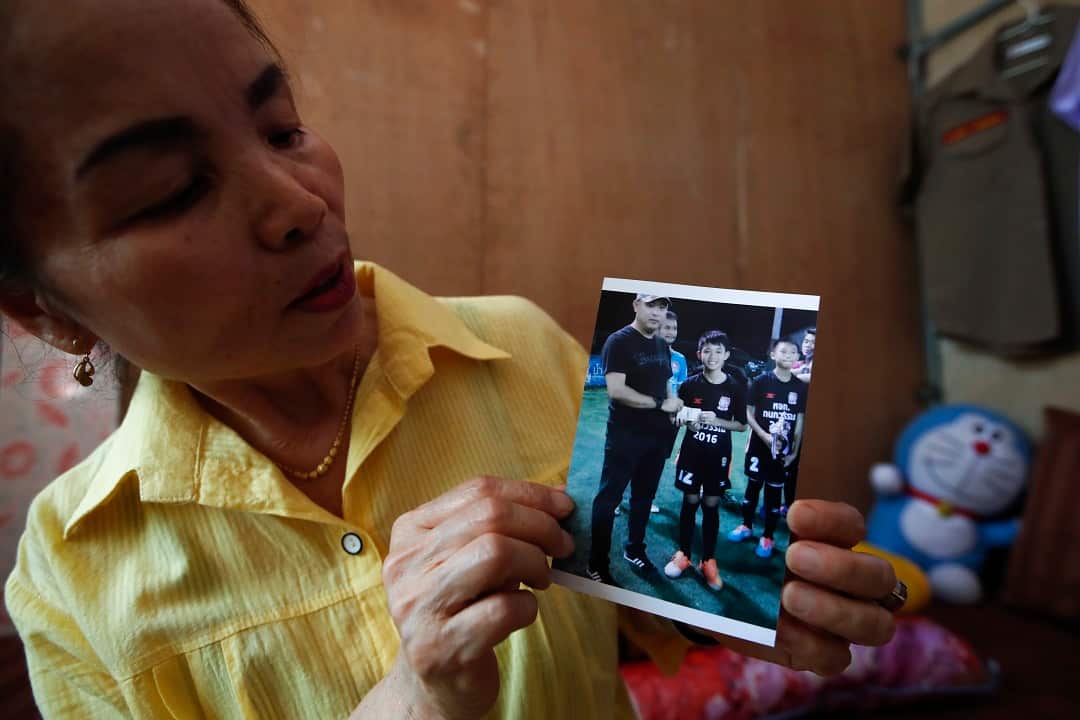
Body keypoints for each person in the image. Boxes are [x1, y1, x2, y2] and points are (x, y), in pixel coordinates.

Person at [0, 2, 902, 718]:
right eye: (173, 190)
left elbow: (618, 602)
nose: (298, 204)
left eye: (281, 128)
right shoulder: (70, 570)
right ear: (47, 311)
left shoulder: (523, 346)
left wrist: (740, 604)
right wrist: (414, 699)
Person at [587, 294, 683, 581]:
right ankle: (596, 563)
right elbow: (616, 390)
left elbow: (667, 382)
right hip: (625, 438)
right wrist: (659, 404)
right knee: (608, 499)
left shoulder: (661, 344)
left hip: (657, 437)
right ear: (636, 305)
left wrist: (674, 403)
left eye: (662, 307)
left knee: (643, 498)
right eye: (651, 305)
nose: (657, 312)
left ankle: (635, 550)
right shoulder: (619, 341)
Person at [663, 331, 747, 591]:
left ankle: (708, 561)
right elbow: (677, 417)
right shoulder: (689, 385)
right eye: (707, 351)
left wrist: (717, 420)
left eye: (718, 351)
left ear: (727, 355)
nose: (712, 356)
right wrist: (679, 419)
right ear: (699, 354)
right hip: (691, 454)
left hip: (718, 456)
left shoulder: (734, 386)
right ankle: (684, 555)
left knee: (711, 504)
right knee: (690, 501)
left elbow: (742, 425)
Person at [728, 338, 806, 559]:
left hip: (782, 452)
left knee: (773, 494)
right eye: (783, 351)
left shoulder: (799, 387)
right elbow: (748, 413)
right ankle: (746, 526)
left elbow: (800, 421)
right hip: (758, 447)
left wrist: (793, 452)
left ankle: (768, 536)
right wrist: (763, 435)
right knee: (752, 489)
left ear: (797, 358)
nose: (788, 355)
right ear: (773, 355)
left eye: (793, 352)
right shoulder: (762, 381)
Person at [617, 308, 684, 517]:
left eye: (674, 328)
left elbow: (680, 388)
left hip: (666, 422)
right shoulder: (643, 354)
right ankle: (617, 499)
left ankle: (647, 499)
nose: (671, 332)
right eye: (666, 327)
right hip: (643, 417)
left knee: (655, 463)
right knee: (630, 459)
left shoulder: (680, 359)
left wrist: (678, 410)